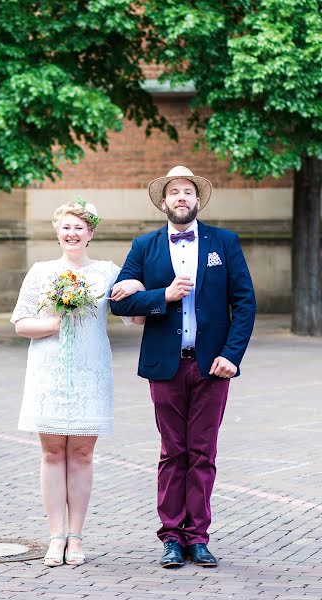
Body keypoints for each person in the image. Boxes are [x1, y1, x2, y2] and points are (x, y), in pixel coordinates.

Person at [110, 166, 256, 568]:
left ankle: (199, 537)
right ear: (163, 202)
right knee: (173, 452)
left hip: (213, 367)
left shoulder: (224, 242)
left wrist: (232, 354)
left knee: (203, 452)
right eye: (173, 191)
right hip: (166, 367)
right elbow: (118, 301)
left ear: (197, 201)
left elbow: (244, 302)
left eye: (187, 192)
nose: (180, 197)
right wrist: (163, 295)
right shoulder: (144, 246)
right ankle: (171, 536)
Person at [11, 200, 144, 567]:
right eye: (67, 227)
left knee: (83, 454)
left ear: (91, 233)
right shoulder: (41, 272)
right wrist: (55, 322)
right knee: (53, 453)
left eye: (80, 228)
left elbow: (132, 318)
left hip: (90, 372)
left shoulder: (106, 272)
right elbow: (21, 323)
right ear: (58, 231)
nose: (72, 233)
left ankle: (76, 536)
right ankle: (55, 537)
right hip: (48, 372)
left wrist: (137, 286)